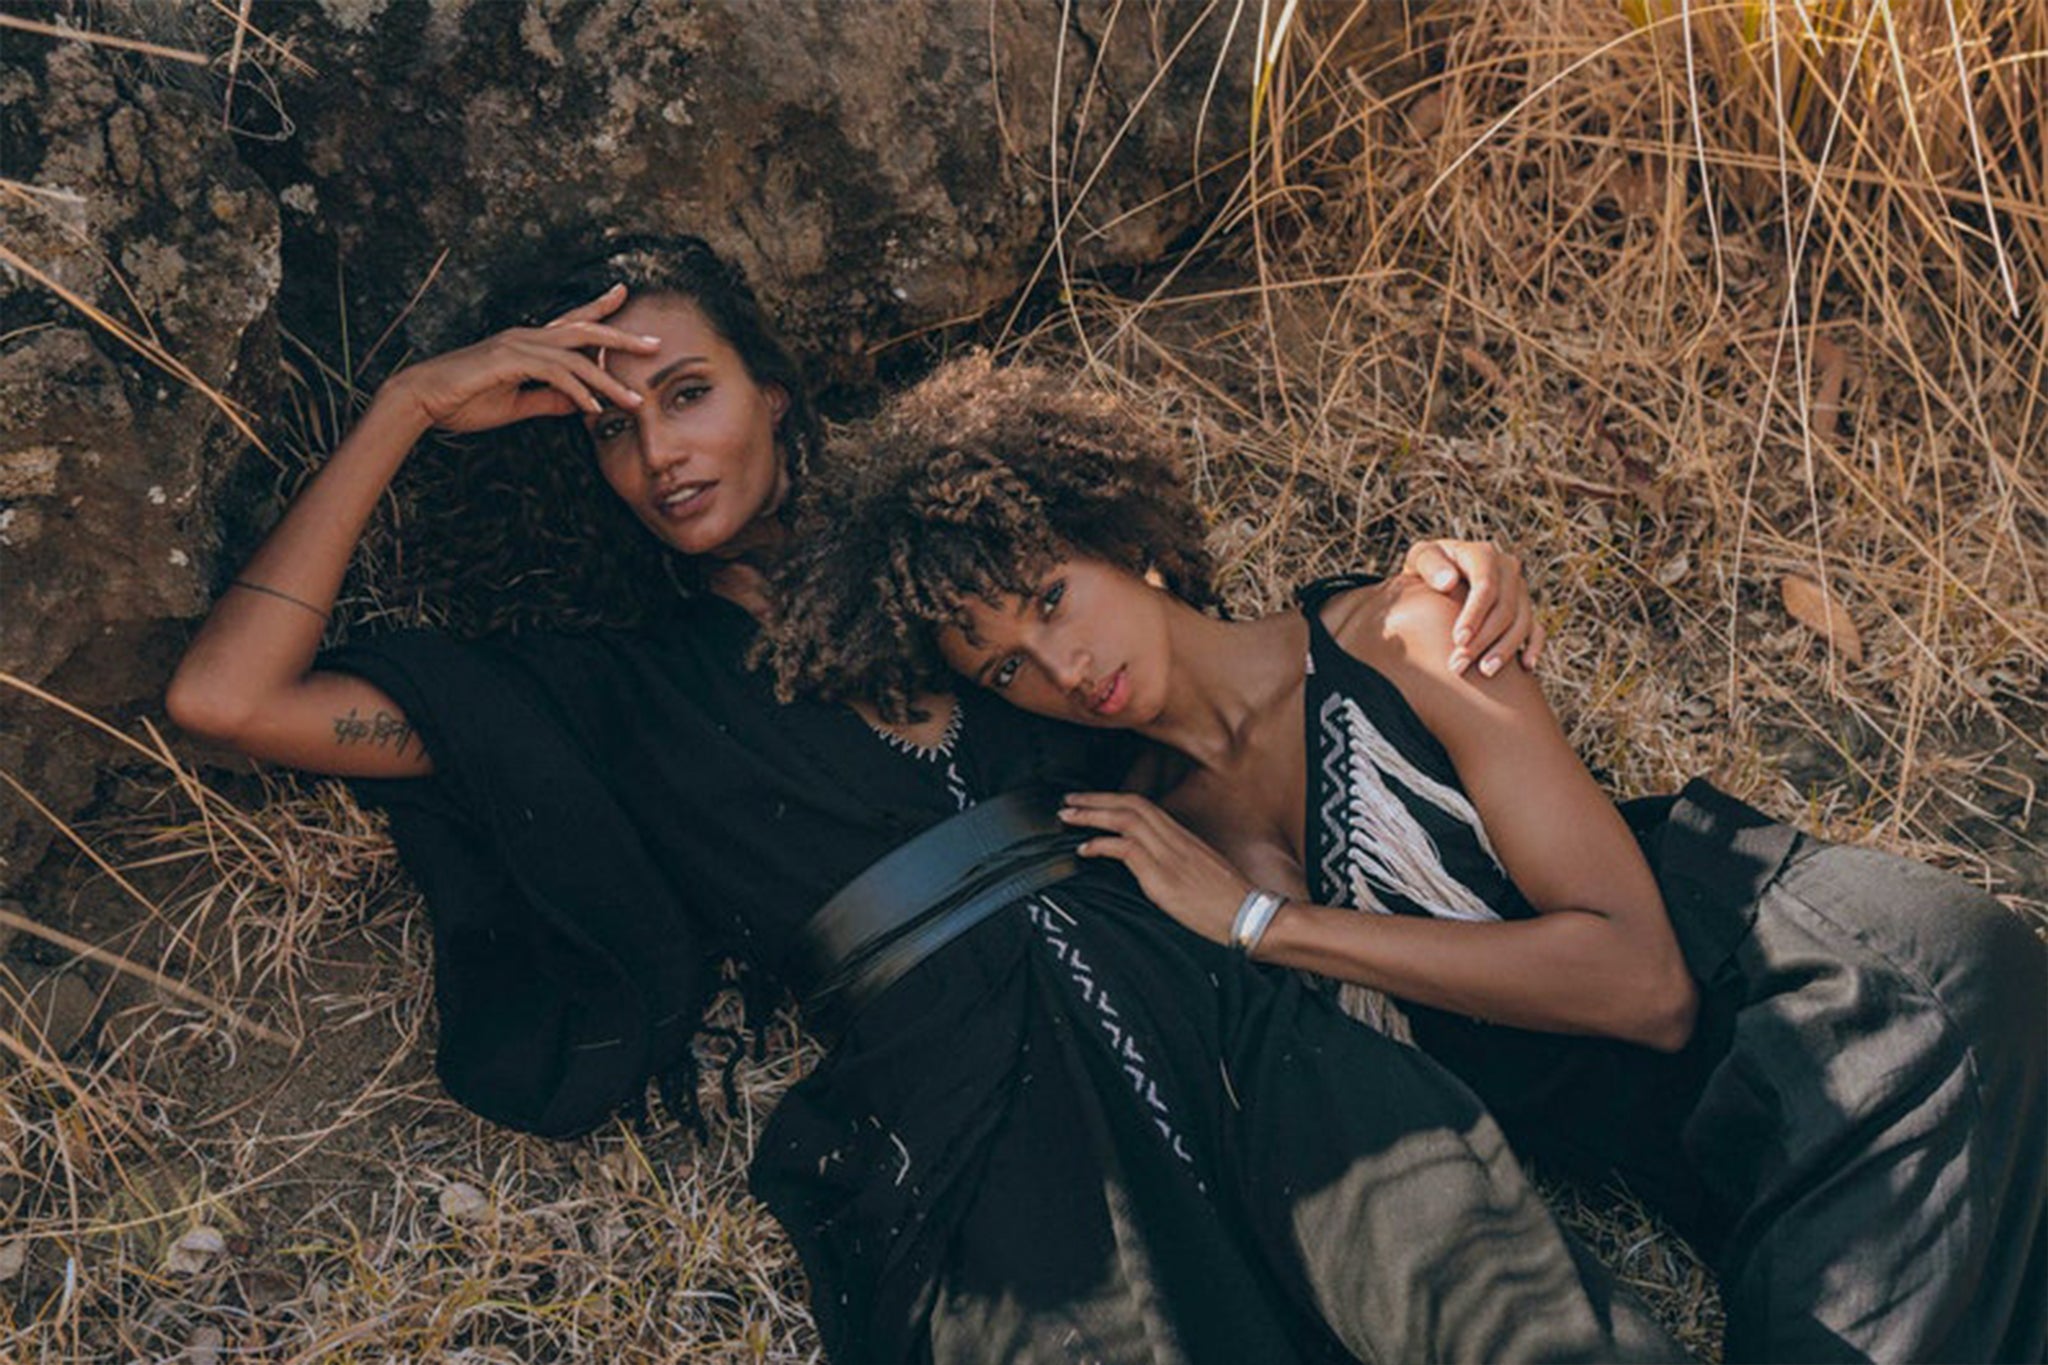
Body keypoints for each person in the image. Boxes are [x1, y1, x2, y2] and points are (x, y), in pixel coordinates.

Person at [166, 234, 1683, 1363]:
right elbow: (228, 702)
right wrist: (410, 408)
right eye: (611, 428)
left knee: (1500, 1319)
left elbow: (1241, 670)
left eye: (687, 393)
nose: (659, 449)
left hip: (1221, 1005)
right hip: (957, 1104)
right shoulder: (605, 694)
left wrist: (1455, 565)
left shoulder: (970, 564)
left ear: (772, 393)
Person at [769, 354, 2048, 1365]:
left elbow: (1642, 987)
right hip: (1733, 1164)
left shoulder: (1403, 628)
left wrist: (1267, 925)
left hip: (1854, 1016)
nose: (1060, 669)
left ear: (1119, 534)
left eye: (1050, 597)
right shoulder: (1143, 854)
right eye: (1004, 666)